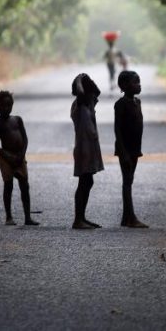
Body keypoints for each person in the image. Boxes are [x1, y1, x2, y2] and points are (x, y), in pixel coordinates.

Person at [0, 90, 39, 226]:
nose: (7, 108)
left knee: (25, 185)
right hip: (6, 158)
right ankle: (9, 217)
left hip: (19, 157)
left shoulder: (17, 120)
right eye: (3, 105)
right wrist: (8, 157)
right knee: (8, 186)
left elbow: (25, 138)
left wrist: (22, 154)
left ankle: (27, 217)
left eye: (9, 105)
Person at [114, 70, 148, 228]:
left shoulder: (137, 102)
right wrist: (123, 152)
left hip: (135, 147)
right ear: (124, 86)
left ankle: (125, 217)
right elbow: (117, 129)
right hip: (125, 149)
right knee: (127, 181)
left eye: (139, 81)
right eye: (136, 82)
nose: (139, 85)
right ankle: (131, 217)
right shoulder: (121, 104)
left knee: (129, 180)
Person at [71, 73, 104, 229]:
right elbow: (82, 93)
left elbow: (97, 92)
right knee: (84, 182)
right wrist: (79, 80)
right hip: (84, 149)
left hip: (90, 148)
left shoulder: (88, 105)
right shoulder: (79, 106)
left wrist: (85, 78)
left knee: (87, 181)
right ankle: (78, 219)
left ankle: (82, 217)